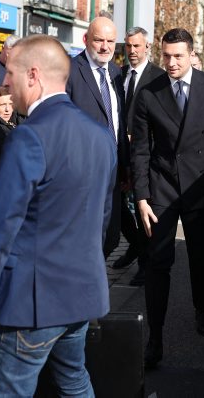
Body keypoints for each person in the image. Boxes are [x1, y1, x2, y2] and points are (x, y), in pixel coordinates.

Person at [0, 35, 116, 396]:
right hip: (81, 293)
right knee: (74, 382)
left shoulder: (28, 137)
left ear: (33, 75)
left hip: (30, 302)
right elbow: (101, 218)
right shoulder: (101, 135)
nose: (5, 83)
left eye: (11, 73)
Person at [131, 28, 204, 368]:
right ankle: (155, 336)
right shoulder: (149, 93)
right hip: (161, 187)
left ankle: (202, 309)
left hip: (200, 185)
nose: (171, 62)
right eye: (166, 56)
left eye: (178, 56)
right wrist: (141, 196)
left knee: (200, 254)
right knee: (157, 261)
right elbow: (140, 150)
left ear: (192, 55)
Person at [66, 15, 126, 257]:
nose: (105, 47)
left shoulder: (116, 73)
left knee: (111, 238)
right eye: (99, 40)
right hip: (82, 172)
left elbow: (119, 122)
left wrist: (125, 166)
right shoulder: (70, 71)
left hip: (113, 171)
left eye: (110, 41)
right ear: (85, 39)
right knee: (86, 240)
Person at [112, 26, 166, 286]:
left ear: (147, 47)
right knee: (116, 203)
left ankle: (146, 264)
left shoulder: (159, 78)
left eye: (136, 46)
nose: (132, 51)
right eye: (128, 46)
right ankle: (135, 245)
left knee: (144, 206)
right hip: (119, 151)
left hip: (146, 153)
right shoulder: (118, 74)